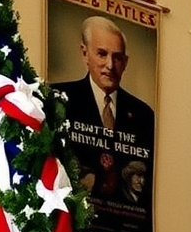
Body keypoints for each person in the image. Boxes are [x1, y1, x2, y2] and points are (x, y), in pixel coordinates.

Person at [53, 15, 154, 152]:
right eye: (102, 54)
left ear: (125, 63)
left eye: (117, 57)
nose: (110, 65)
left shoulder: (143, 115)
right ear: (85, 54)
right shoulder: (58, 100)